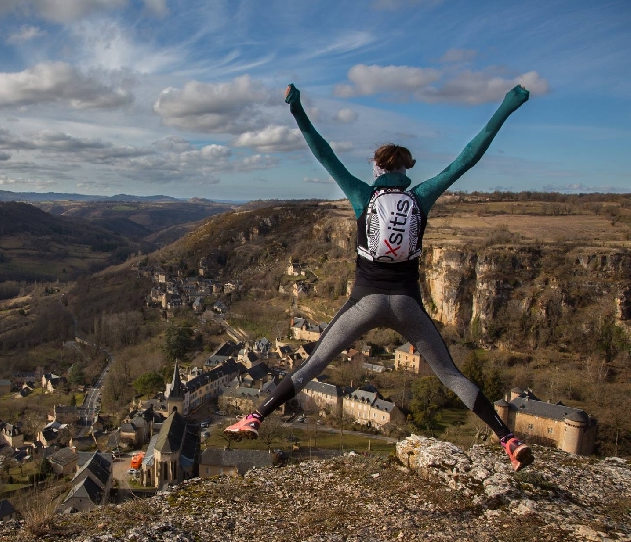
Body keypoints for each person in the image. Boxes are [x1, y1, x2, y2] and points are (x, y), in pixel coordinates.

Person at [225, 83, 534, 471]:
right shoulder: (420, 197)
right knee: (452, 375)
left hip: (364, 302)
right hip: (407, 305)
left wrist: (298, 110)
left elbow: (323, 152)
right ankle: (507, 438)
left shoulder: (361, 196)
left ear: (377, 168)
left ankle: (255, 417)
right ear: (405, 170)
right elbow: (468, 156)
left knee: (312, 365)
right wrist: (507, 106)